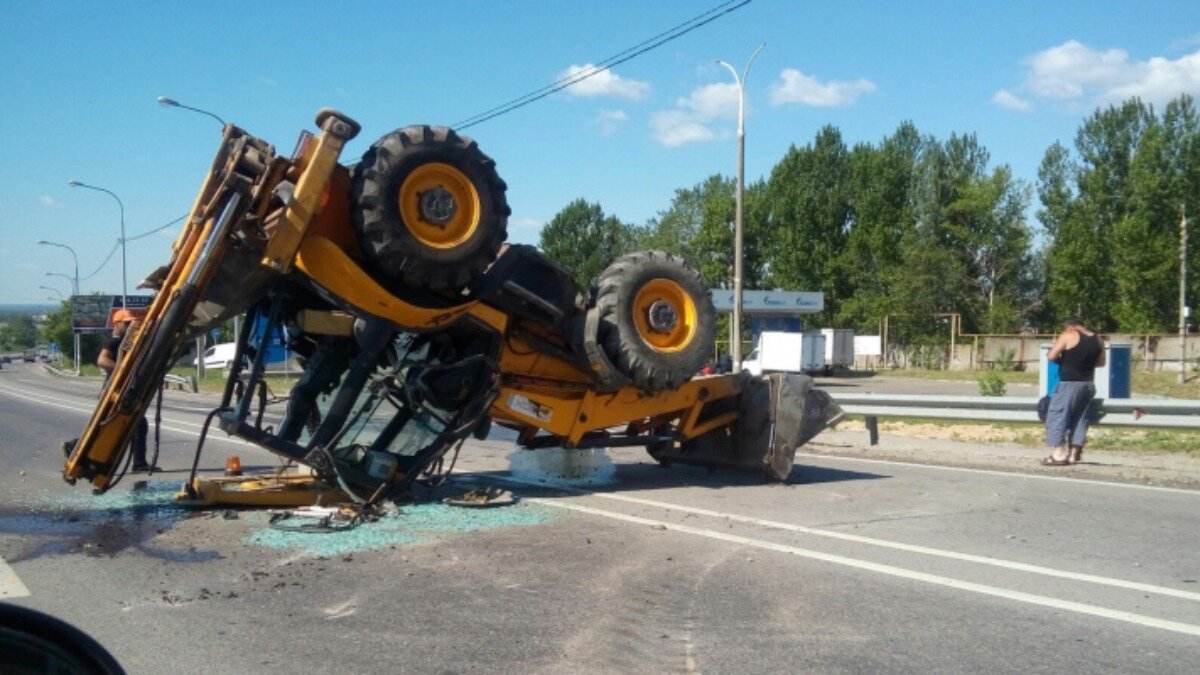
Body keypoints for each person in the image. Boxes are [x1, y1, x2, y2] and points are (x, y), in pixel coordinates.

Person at [1041, 317, 1105, 466]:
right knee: (1080, 418)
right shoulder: (1098, 339)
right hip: (1088, 384)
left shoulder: (1068, 335)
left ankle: (1058, 454)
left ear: (1070, 327)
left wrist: (1065, 358)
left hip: (1069, 383)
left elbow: (1051, 355)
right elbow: (1101, 363)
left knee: (1056, 415)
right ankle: (1073, 454)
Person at [98, 313, 150, 472]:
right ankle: (138, 463)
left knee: (134, 425)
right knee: (131, 425)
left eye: (131, 323)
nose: (129, 326)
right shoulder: (115, 342)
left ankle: (139, 463)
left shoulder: (126, 343)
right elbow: (102, 360)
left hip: (120, 391)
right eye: (126, 323)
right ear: (116, 324)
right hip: (114, 392)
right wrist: (123, 370)